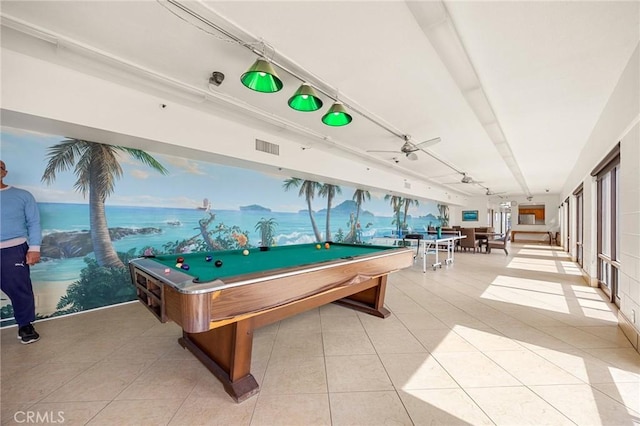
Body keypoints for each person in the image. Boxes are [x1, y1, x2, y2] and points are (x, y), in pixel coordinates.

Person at [0, 160, 42, 344]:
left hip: (13, 248)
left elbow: (34, 222)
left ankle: (25, 326)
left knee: (20, 289)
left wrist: (34, 248)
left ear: (5, 172)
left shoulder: (22, 195)